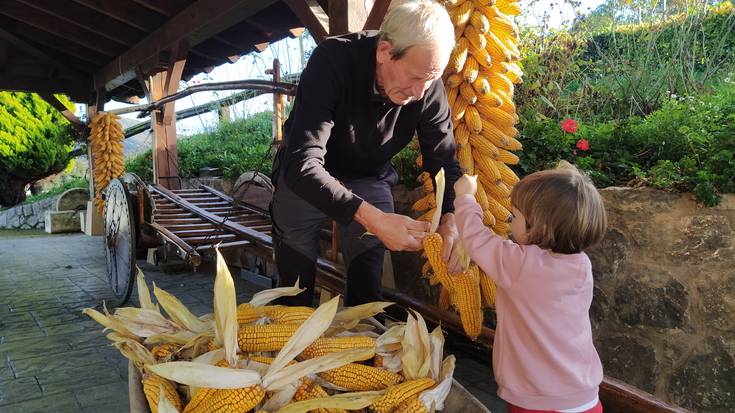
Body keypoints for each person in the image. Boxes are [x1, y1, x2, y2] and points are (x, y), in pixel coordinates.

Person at [270, 0, 463, 307]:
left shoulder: (427, 87)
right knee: (294, 286)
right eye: (415, 77)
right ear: (384, 52)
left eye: (430, 79)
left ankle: (367, 347)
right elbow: (302, 163)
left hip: (367, 175)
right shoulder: (332, 61)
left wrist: (451, 220)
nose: (419, 93)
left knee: (368, 289)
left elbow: (444, 161)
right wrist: (375, 220)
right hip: (307, 177)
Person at [453, 161, 607, 413]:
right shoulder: (580, 265)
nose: (510, 222)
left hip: (538, 401)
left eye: (515, 217)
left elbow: (475, 239)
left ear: (541, 228)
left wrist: (466, 198)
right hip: (585, 398)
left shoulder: (520, 265)